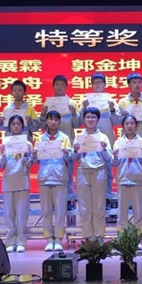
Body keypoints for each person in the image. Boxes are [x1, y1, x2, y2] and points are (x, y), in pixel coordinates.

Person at [33, 110, 73, 252]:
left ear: (59, 122)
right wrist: (34, 155)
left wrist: (67, 153)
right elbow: (34, 160)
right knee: (47, 212)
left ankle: (59, 239)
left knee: (60, 212)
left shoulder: (64, 138)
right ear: (46, 121)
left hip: (60, 177)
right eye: (51, 119)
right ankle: (49, 239)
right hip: (44, 177)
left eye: (56, 119)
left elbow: (70, 158)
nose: (53, 122)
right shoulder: (40, 139)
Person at [39, 75, 80, 210]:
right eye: (57, 84)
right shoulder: (47, 103)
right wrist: (43, 115)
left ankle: (69, 199)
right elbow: (42, 126)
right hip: (49, 143)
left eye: (62, 84)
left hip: (66, 143)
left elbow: (77, 124)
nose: (60, 87)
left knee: (67, 173)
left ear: (66, 87)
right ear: (53, 86)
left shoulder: (72, 103)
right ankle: (51, 200)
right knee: (50, 172)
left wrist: (74, 114)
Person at [112, 115, 142, 249]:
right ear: (123, 126)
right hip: (123, 180)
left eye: (132, 123)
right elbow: (113, 163)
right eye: (127, 124)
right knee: (122, 213)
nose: (129, 126)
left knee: (138, 213)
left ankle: (137, 239)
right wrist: (115, 156)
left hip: (137, 180)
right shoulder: (118, 142)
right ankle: (122, 239)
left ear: (136, 125)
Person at [74, 107, 112, 244]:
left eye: (93, 117)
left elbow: (109, 158)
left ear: (98, 119)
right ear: (84, 119)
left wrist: (105, 149)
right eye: (88, 117)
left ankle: (99, 236)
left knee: (99, 206)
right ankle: (88, 237)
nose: (90, 120)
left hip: (99, 171)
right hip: (83, 171)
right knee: (84, 207)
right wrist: (75, 151)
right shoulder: (79, 137)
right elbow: (73, 158)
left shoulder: (103, 137)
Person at [81, 73, 118, 208]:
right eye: (95, 82)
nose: (97, 85)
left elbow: (117, 121)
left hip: (106, 140)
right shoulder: (85, 100)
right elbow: (80, 122)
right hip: (89, 141)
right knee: (89, 171)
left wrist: (112, 109)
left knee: (107, 171)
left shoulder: (111, 100)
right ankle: (91, 200)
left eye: (100, 82)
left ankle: (107, 198)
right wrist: (83, 109)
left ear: (105, 84)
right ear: (91, 85)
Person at [0, 115, 33, 253]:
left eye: (18, 124)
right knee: (8, 214)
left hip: (22, 181)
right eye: (13, 124)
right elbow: (2, 165)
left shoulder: (28, 143)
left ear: (22, 126)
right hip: (8, 181)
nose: (16, 126)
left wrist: (25, 154)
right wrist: (2, 154)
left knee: (22, 214)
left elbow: (29, 164)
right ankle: (10, 241)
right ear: (9, 127)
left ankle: (21, 242)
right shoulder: (5, 143)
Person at [117, 72, 142, 147]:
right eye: (134, 82)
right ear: (129, 85)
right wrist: (124, 118)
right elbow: (117, 121)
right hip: (127, 139)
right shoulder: (122, 102)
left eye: (139, 82)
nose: (137, 85)